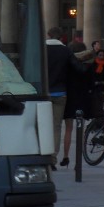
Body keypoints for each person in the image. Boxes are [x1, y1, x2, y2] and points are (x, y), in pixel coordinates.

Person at [45, 27, 75, 166]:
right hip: (60, 93)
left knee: (43, 124)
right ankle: (52, 157)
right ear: (61, 37)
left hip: (44, 94)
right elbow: (77, 68)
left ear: (48, 35)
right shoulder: (66, 51)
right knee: (56, 127)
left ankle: (42, 154)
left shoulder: (42, 49)